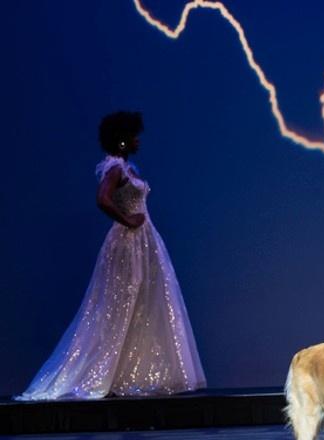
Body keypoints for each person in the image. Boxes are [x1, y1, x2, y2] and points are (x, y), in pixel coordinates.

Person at [16, 111, 206, 401]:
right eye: (133, 135)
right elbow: (102, 198)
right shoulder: (114, 168)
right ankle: (103, 374)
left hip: (143, 241)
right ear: (121, 140)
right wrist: (127, 220)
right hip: (128, 244)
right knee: (121, 302)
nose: (138, 140)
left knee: (142, 304)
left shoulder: (127, 168)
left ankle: (130, 372)